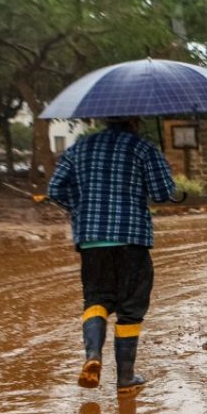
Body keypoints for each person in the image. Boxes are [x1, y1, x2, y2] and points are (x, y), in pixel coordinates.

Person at [48, 117, 176, 393]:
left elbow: (54, 189)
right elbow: (163, 192)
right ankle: (125, 378)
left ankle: (93, 355)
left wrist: (81, 208)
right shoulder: (142, 148)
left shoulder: (78, 148)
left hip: (91, 241)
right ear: (135, 120)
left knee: (96, 299)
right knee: (130, 308)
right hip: (132, 239)